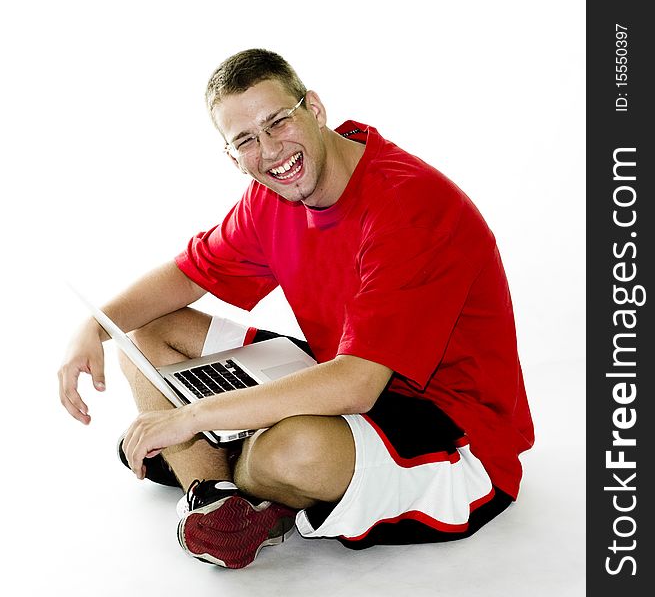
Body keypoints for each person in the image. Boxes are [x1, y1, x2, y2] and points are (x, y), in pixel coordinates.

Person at [58, 48, 534, 569]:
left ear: (315, 108)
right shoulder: (273, 196)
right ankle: (214, 493)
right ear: (231, 155)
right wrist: (95, 326)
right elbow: (184, 275)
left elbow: (357, 384)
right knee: (143, 332)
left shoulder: (409, 205)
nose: (268, 150)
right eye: (245, 140)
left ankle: (212, 457)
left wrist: (192, 418)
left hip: (453, 432)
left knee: (290, 450)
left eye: (277, 121)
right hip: (342, 375)